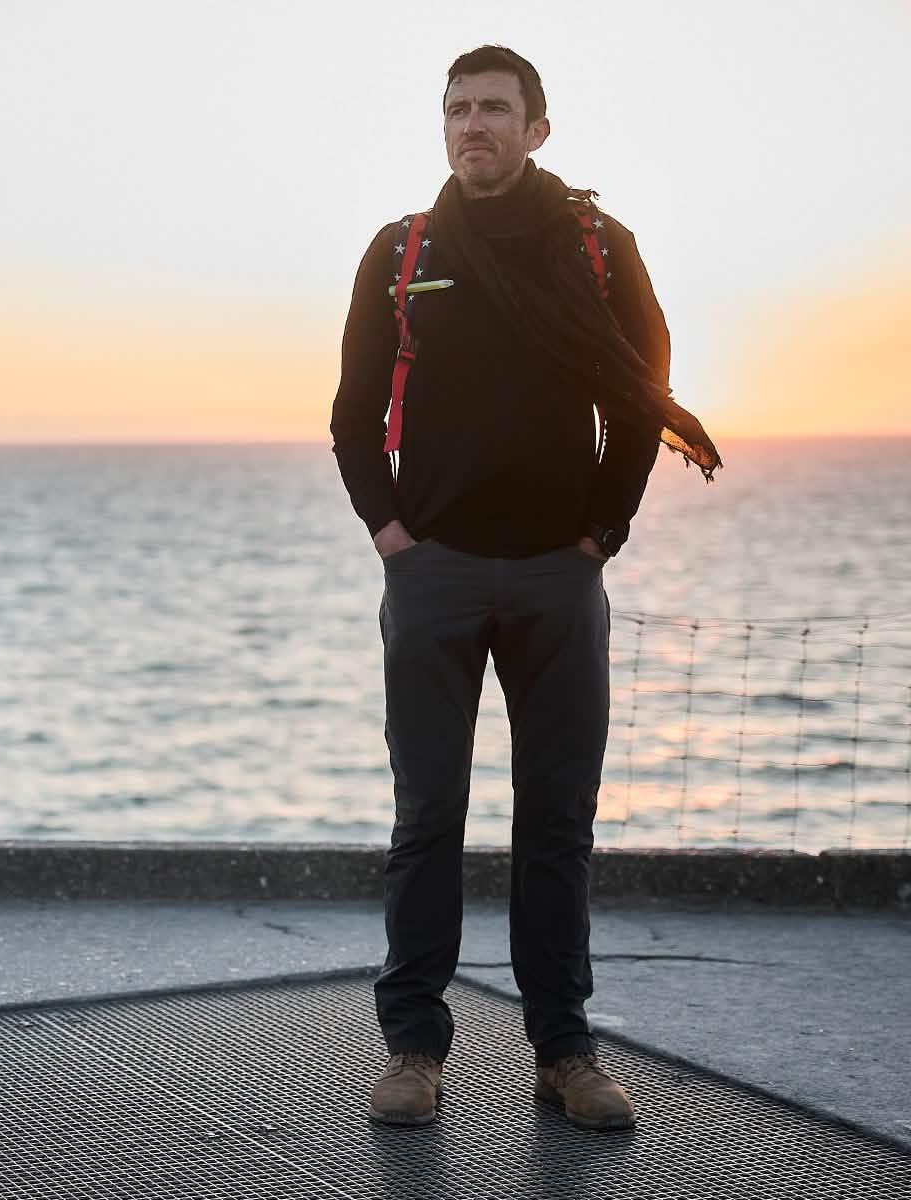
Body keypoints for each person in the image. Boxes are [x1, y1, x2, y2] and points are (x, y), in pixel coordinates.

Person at [329, 44, 722, 1132]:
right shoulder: (402, 251)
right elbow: (352, 412)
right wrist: (393, 537)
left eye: (495, 108)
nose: (474, 125)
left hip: (558, 574)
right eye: (458, 108)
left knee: (558, 821)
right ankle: (414, 1047)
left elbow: (643, 392)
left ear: (536, 128)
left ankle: (564, 1051)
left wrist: (601, 532)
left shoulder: (597, 246)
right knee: (428, 818)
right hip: (435, 574)